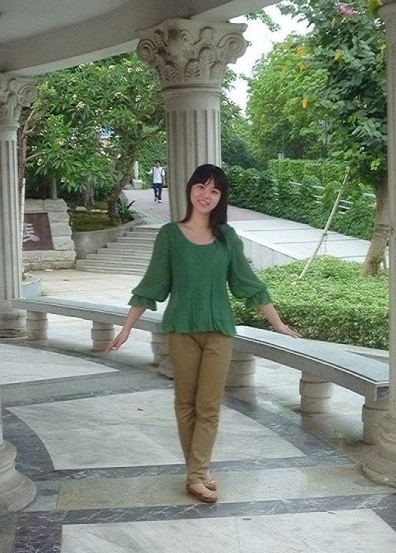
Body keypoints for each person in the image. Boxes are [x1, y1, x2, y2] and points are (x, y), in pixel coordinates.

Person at [105, 164, 300, 504]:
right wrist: (126, 327)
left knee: (208, 405)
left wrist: (278, 323)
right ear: (190, 189)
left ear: (221, 198)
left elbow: (248, 284)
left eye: (214, 190)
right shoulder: (170, 235)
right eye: (201, 187)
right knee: (186, 403)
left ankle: (196, 474)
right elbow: (152, 285)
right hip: (181, 330)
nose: (206, 195)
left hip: (218, 333)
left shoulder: (227, 238)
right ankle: (198, 470)